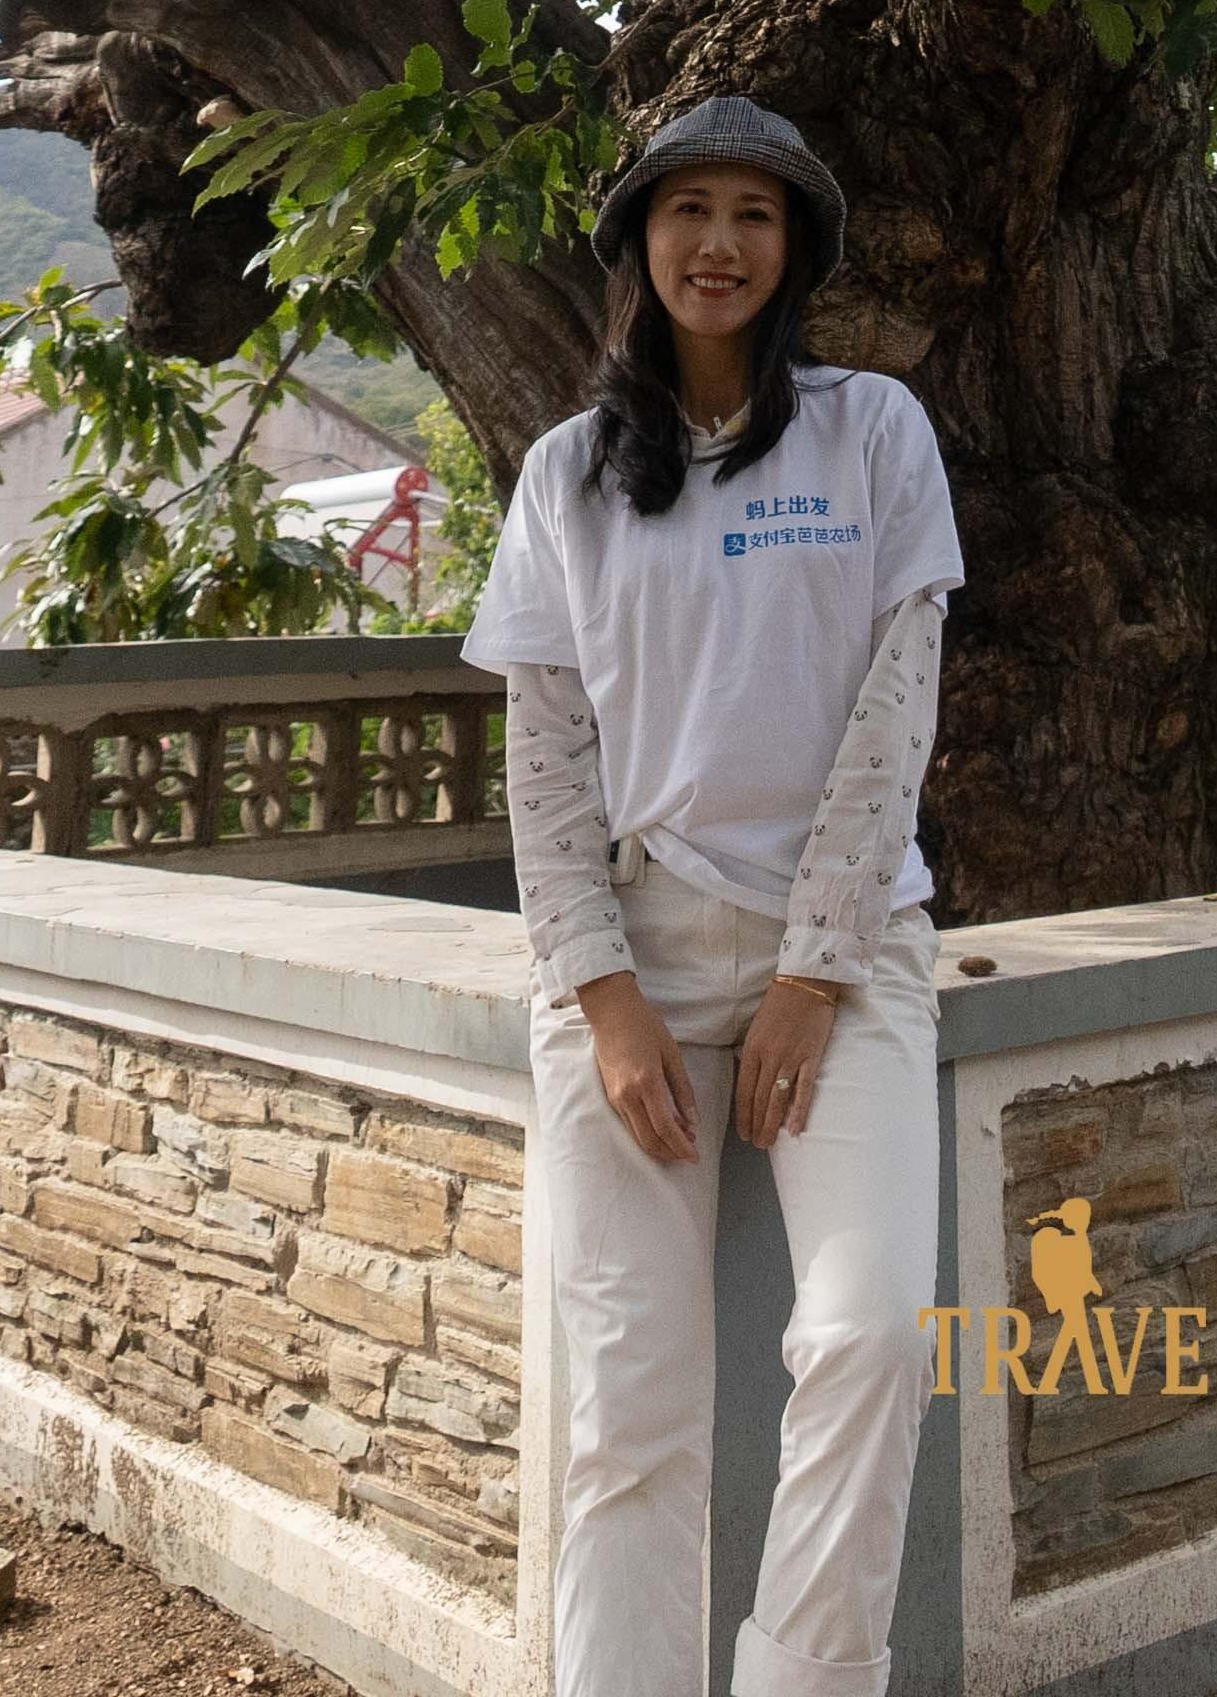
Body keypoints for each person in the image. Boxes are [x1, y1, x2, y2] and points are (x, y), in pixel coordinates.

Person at [462, 95, 960, 1697]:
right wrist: (603, 1000)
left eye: (755, 212)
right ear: (638, 245)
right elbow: (544, 756)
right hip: (633, 963)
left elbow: (898, 707)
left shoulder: (873, 432)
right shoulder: (565, 477)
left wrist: (813, 974)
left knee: (873, 1337)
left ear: (794, 246)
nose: (720, 242)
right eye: (689, 211)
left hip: (852, 949)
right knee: (623, 1404)